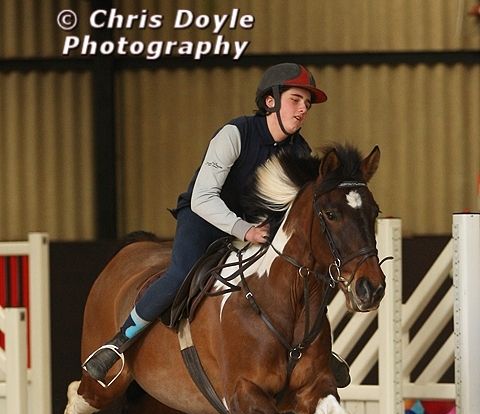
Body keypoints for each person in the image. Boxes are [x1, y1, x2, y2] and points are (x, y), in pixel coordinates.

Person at [83, 63, 328, 386]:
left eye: (307, 104)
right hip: (205, 218)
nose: (303, 109)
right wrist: (244, 230)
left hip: (255, 227)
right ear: (271, 101)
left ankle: (317, 350)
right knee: (180, 274)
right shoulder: (235, 134)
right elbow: (203, 197)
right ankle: (119, 342)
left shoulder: (299, 151)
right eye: (296, 100)